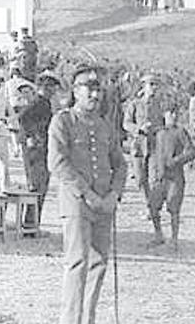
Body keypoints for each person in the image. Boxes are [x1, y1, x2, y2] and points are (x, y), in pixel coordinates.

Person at [48, 64, 126, 324]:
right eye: (89, 89)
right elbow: (57, 163)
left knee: (99, 263)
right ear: (75, 91)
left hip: (104, 205)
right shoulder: (63, 121)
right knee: (78, 262)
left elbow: (120, 163)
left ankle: (88, 319)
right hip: (77, 205)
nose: (95, 95)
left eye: (98, 90)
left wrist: (114, 193)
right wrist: (87, 194)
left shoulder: (105, 126)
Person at [146, 107, 195, 251]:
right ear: (164, 114)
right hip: (159, 177)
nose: (173, 116)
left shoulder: (180, 132)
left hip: (175, 177)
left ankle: (174, 239)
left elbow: (192, 151)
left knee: (174, 208)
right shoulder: (157, 133)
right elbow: (147, 151)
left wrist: (177, 160)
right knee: (153, 206)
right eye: (170, 113)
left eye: (176, 113)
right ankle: (158, 234)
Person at [16, 74, 55, 227]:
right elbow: (23, 118)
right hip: (36, 150)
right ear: (42, 88)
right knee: (37, 186)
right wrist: (31, 136)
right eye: (49, 87)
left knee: (39, 186)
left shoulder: (44, 103)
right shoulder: (38, 103)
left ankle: (32, 223)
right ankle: (30, 224)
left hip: (41, 149)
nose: (52, 91)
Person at [123, 74, 165, 206]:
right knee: (141, 179)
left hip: (154, 146)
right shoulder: (134, 104)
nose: (154, 88)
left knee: (154, 179)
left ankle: (151, 206)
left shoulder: (159, 105)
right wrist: (139, 128)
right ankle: (148, 201)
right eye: (151, 84)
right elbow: (126, 123)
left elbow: (164, 124)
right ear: (144, 86)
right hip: (139, 146)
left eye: (156, 85)